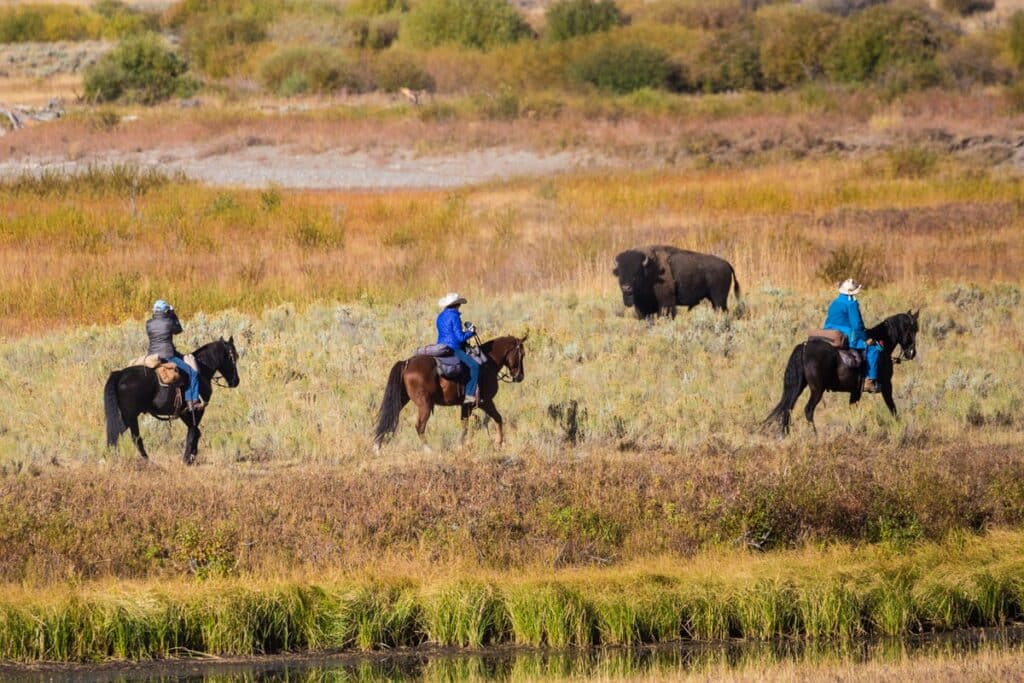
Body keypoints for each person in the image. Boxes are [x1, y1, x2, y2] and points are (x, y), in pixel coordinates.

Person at [823, 279, 882, 393]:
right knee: (874, 349)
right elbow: (857, 326)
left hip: (828, 333)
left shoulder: (835, 302)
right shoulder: (851, 304)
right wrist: (867, 339)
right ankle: (870, 381)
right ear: (851, 293)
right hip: (846, 335)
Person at [147, 300, 203, 411]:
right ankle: (191, 401)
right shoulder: (169, 322)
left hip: (152, 355)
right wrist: (173, 314)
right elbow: (178, 330)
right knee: (191, 373)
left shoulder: (148, 323)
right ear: (166, 311)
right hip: (167, 355)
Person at [435, 292, 480, 405]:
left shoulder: (440, 316)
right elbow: (459, 338)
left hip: (440, 346)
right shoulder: (454, 316)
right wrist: (471, 332)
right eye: (459, 304)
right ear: (457, 304)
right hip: (453, 348)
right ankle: (469, 397)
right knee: (475, 366)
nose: (460, 306)